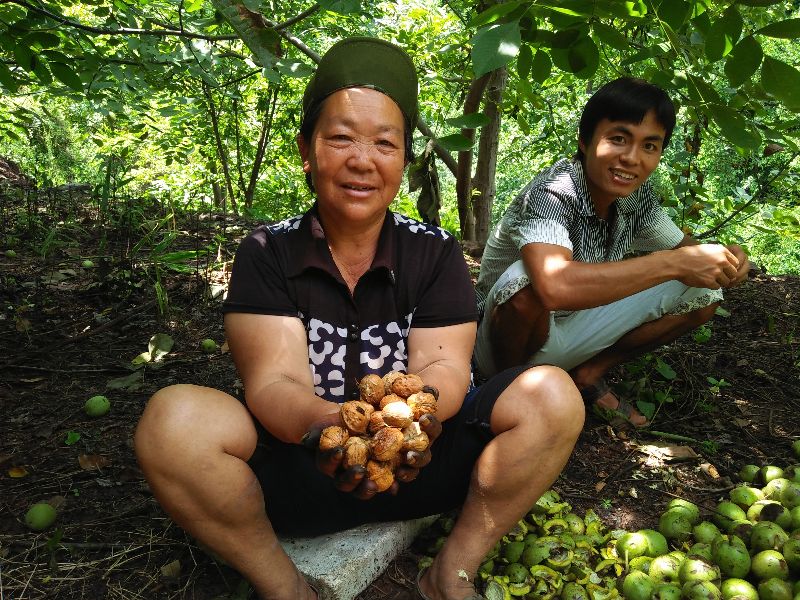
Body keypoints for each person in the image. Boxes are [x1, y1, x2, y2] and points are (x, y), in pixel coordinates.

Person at [134, 37, 584, 600]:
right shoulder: (267, 252)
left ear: (402, 160)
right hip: (300, 470)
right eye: (340, 138)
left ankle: (450, 573)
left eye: (384, 143)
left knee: (552, 394)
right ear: (306, 149)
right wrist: (330, 427)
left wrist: (413, 424)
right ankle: (286, 588)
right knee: (172, 421)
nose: (362, 160)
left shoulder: (435, 251)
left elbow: (444, 364)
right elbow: (275, 382)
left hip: (421, 463)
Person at [473, 77, 750, 427]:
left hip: (570, 332)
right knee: (528, 280)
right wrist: (673, 263)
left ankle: (587, 375)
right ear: (585, 141)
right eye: (618, 139)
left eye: (650, 146)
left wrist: (728, 260)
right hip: (497, 347)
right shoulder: (553, 192)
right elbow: (554, 287)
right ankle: (503, 393)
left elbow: (686, 250)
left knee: (703, 289)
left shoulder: (638, 199)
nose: (632, 158)